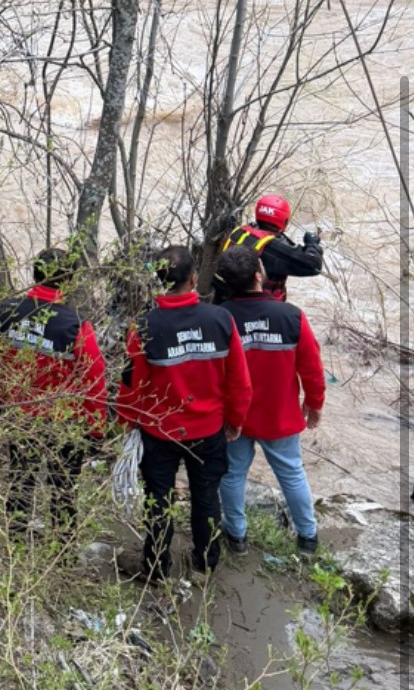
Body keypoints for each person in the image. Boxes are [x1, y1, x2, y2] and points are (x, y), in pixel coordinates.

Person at [117, 246, 253, 581]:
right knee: (207, 497)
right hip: (208, 430)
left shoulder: (144, 326)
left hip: (159, 432)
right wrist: (234, 421)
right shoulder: (221, 319)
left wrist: (127, 423)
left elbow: (131, 385)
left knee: (157, 499)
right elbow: (240, 381)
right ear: (194, 278)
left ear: (159, 282)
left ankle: (156, 569)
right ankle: (203, 566)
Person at [0, 248, 107, 532]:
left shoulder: (4, 313)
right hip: (63, 422)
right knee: (63, 490)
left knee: (19, 481)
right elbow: (94, 380)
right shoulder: (76, 326)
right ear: (69, 282)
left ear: (34, 273)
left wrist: (1, 402)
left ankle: (14, 543)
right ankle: (63, 555)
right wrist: (96, 428)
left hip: (19, 417)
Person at [216, 246, 326, 556]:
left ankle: (236, 537)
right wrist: (314, 403)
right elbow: (312, 366)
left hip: (235, 417)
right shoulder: (291, 316)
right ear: (259, 275)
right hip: (279, 415)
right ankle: (307, 537)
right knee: (291, 473)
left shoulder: (222, 318)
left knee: (233, 473)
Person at [217, 195, 323, 302]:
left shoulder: (240, 231)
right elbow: (313, 266)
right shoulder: (270, 246)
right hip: (257, 307)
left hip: (224, 298)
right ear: (284, 221)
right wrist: (312, 244)